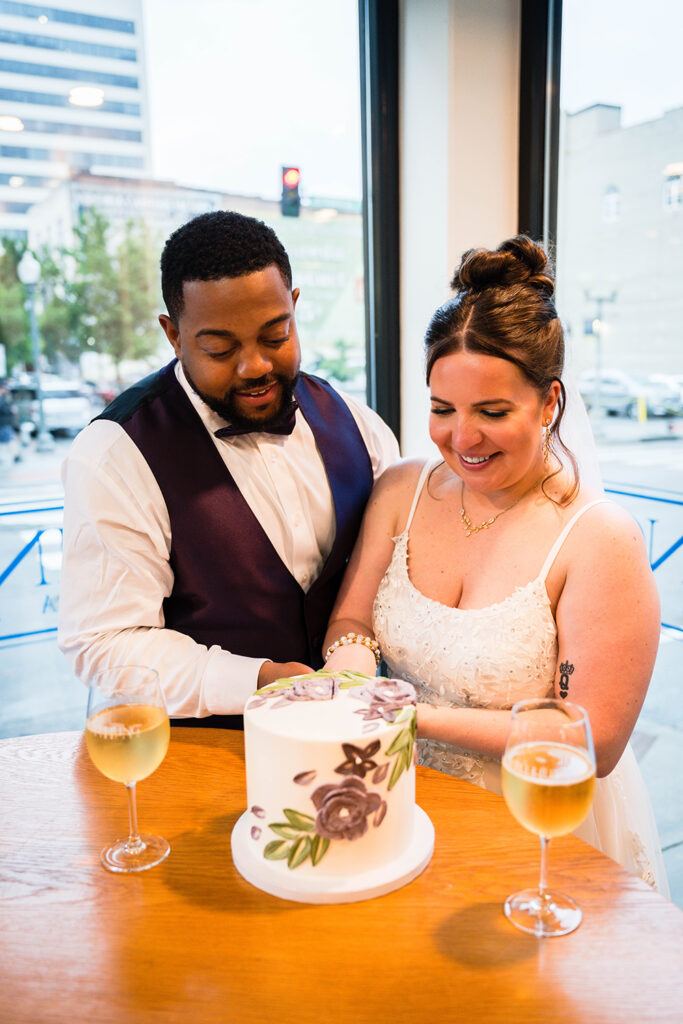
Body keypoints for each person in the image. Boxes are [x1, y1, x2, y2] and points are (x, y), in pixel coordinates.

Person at [323, 235, 668, 894]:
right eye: (441, 409)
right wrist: (353, 669)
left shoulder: (598, 540)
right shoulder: (400, 490)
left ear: (548, 404)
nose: (461, 438)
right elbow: (350, 616)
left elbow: (589, 743)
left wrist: (407, 717)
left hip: (538, 825)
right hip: (400, 805)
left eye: (491, 412)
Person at [58, 210, 399, 725]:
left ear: (295, 307)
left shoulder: (360, 425)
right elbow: (105, 643)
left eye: (275, 336)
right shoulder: (116, 454)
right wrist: (257, 681)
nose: (254, 366)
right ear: (173, 335)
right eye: (220, 348)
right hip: (206, 753)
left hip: (348, 740)